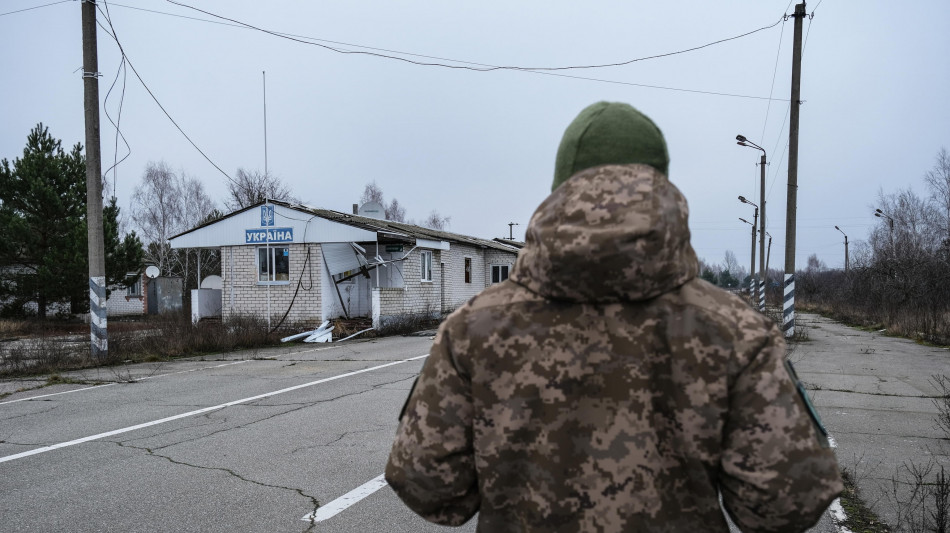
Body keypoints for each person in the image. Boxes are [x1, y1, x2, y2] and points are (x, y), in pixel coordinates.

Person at [386, 101, 842, 532]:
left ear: (560, 188)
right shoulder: (736, 331)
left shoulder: (472, 328)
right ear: (660, 185)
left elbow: (431, 489)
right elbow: (786, 504)